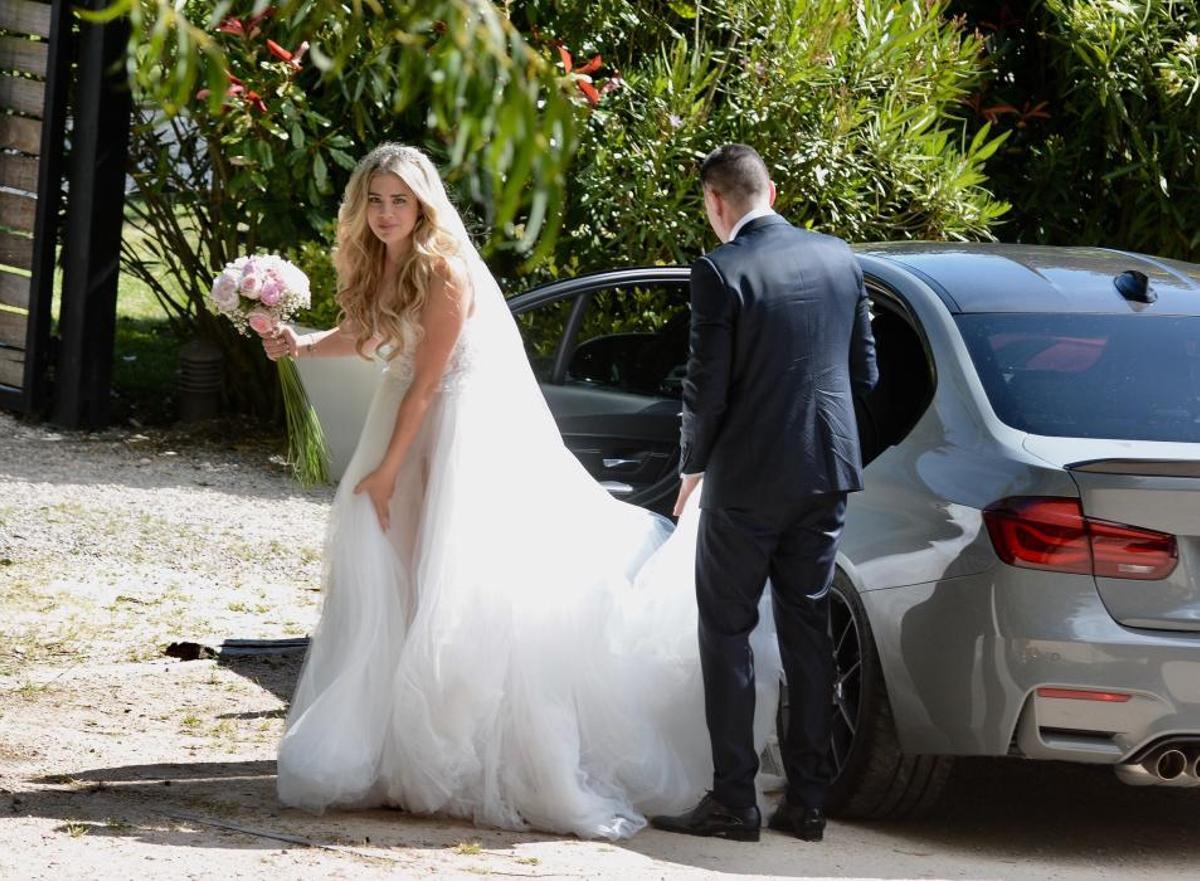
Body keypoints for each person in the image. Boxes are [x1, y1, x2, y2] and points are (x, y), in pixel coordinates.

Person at [257, 144, 782, 839]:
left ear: (422, 206)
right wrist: (299, 343)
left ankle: (470, 753)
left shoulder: (444, 269)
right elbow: (368, 333)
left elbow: (427, 382)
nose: (386, 214)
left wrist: (386, 469)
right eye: (376, 201)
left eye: (399, 201)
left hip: (460, 434)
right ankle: (395, 747)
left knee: (457, 588)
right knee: (401, 580)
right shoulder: (385, 260)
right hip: (410, 423)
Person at [651, 144, 878, 843]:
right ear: (771, 191)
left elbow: (705, 388)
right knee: (808, 629)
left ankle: (734, 802)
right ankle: (807, 802)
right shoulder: (841, 258)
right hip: (826, 472)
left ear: (715, 202)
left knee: (728, 632)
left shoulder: (721, 271)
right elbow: (865, 375)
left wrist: (691, 466)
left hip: (747, 481)